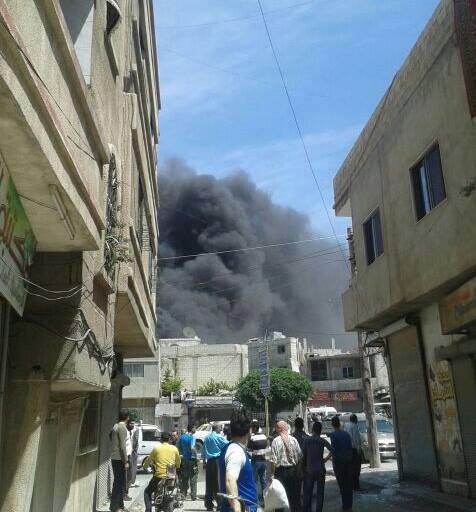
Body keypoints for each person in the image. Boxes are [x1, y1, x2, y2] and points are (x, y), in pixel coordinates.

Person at [218, 411, 257, 512]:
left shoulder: (231, 448)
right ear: (249, 430)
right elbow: (230, 480)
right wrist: (236, 506)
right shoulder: (236, 451)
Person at [268, 420, 303, 512]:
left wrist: (271, 474)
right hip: (293, 471)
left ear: (279, 429)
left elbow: (273, 461)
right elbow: (300, 458)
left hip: (280, 473)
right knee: (294, 498)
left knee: (279, 500)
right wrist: (298, 471)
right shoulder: (294, 440)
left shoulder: (275, 441)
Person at [143, 432, 181, 512]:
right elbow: (178, 462)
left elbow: (148, 460)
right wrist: (177, 467)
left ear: (161, 439)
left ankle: (148, 510)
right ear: (169, 439)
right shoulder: (174, 448)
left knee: (147, 492)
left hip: (159, 476)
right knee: (175, 488)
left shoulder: (156, 448)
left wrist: (145, 466)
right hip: (171, 477)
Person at [302, 422, 333, 512]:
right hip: (320, 469)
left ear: (313, 430)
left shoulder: (307, 440)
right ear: (320, 430)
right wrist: (325, 459)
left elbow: (303, 455)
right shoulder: (322, 440)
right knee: (320, 493)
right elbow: (332, 450)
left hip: (309, 470)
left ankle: (308, 510)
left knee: (308, 492)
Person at [329, 416, 353, 511]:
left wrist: (329, 460)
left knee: (342, 485)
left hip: (339, 462)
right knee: (348, 484)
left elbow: (333, 450)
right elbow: (350, 448)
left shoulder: (333, 435)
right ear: (339, 424)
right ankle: (349, 505)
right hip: (348, 461)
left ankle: (345, 505)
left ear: (332, 424)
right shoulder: (346, 434)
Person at [202, 424, 228, 510]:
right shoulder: (219, 437)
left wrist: (204, 462)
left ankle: (208, 505)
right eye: (220, 428)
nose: (221, 429)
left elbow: (203, 451)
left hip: (209, 462)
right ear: (216, 428)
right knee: (218, 483)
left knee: (209, 484)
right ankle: (219, 504)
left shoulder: (206, 438)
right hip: (217, 461)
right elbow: (227, 444)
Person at [110, 411, 130, 512]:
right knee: (118, 483)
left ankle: (120, 506)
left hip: (116, 457)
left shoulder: (115, 426)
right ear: (127, 417)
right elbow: (122, 446)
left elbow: (110, 436)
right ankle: (114, 507)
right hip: (119, 459)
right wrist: (125, 461)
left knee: (121, 483)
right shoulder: (122, 428)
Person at [248, 421, 268, 507]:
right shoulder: (264, 436)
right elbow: (266, 446)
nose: (251, 429)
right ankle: (265, 500)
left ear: (254, 428)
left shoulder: (253, 438)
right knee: (263, 481)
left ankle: (255, 501)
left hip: (255, 461)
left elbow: (249, 448)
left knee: (255, 481)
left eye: (252, 427)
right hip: (263, 461)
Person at [176, 425, 198, 500]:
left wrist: (181, 453)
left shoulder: (181, 437)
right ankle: (193, 496)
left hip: (184, 460)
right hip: (192, 459)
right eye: (195, 427)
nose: (195, 429)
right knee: (193, 477)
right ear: (192, 429)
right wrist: (196, 456)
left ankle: (184, 494)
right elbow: (192, 447)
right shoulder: (192, 437)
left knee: (185, 477)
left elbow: (177, 446)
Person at [345, 414, 363, 491]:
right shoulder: (354, 426)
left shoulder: (346, 425)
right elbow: (356, 439)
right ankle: (356, 486)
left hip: (348, 449)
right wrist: (359, 450)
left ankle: (351, 485)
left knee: (351, 468)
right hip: (354, 449)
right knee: (356, 469)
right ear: (355, 420)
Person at [127, 419, 140, 490]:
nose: (132, 425)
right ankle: (128, 483)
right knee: (129, 469)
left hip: (133, 452)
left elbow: (136, 441)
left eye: (133, 423)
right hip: (127, 452)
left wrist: (135, 450)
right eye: (131, 423)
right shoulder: (126, 430)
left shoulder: (136, 430)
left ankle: (131, 481)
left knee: (133, 468)